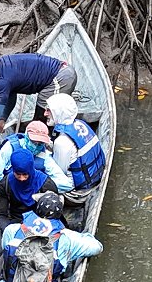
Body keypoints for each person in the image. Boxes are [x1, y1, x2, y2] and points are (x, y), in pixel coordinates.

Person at [0, 50, 78, 153]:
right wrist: (3, 118)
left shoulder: (2, 81)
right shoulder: (3, 65)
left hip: (60, 78)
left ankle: (50, 150)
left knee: (39, 124)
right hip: (63, 72)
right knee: (39, 123)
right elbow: (12, 97)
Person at [0, 144, 58, 252]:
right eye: (18, 174)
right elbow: (1, 215)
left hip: (40, 223)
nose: (22, 179)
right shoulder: (5, 185)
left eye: (25, 174)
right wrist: (12, 232)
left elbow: (54, 215)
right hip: (15, 222)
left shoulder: (46, 185)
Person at [44, 93, 106, 228]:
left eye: (49, 110)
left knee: (35, 178)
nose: (45, 113)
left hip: (76, 194)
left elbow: (57, 175)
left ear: (59, 112)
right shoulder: (80, 124)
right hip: (92, 183)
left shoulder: (62, 142)